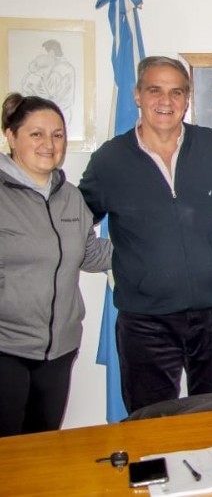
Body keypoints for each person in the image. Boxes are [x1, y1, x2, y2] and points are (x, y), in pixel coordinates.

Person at [79, 56, 212, 413]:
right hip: (145, 322)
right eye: (155, 90)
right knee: (149, 427)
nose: (166, 101)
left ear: (187, 100)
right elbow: (70, 223)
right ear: (137, 95)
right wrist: (115, 258)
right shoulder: (109, 160)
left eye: (176, 92)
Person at [0, 93, 112, 436]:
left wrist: (149, 245)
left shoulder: (70, 196)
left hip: (60, 350)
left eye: (58, 134)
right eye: (36, 134)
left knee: (43, 447)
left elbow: (90, 254)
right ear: (10, 136)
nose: (49, 144)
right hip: (6, 348)